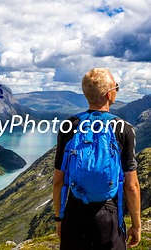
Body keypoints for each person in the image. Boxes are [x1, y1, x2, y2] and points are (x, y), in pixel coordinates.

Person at [53, 68, 141, 250]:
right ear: (109, 94)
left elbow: (58, 181)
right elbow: (131, 185)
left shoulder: (69, 125)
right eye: (117, 87)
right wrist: (136, 225)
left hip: (75, 212)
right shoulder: (123, 129)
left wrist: (59, 218)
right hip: (108, 215)